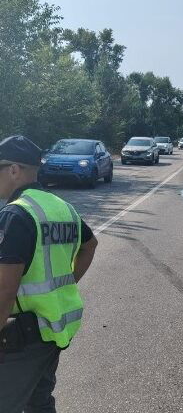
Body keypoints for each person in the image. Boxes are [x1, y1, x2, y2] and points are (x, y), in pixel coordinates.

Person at [0, 135, 98, 412]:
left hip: (22, 335)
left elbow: (4, 290)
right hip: (53, 329)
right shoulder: (62, 207)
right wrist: (65, 285)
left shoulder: (16, 214)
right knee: (38, 402)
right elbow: (90, 245)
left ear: (14, 170)